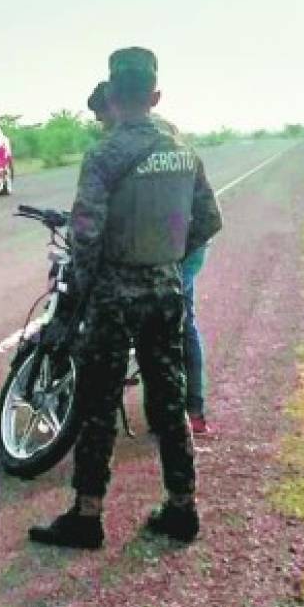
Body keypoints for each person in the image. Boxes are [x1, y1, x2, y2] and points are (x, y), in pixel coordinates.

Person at [30, 48, 223, 549]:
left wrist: (77, 304)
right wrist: (168, 264)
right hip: (165, 291)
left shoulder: (104, 155)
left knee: (98, 404)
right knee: (170, 399)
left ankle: (87, 516)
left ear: (113, 96)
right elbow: (207, 221)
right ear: (156, 95)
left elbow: (87, 238)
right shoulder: (183, 148)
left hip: (115, 296)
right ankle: (183, 508)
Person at [86, 81, 213, 435]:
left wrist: (171, 258)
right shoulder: (140, 138)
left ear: (116, 106)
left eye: (103, 118)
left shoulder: (158, 137)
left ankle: (192, 409)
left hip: (177, 246)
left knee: (180, 321)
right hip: (170, 241)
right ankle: (165, 409)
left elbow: (199, 212)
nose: (104, 126)